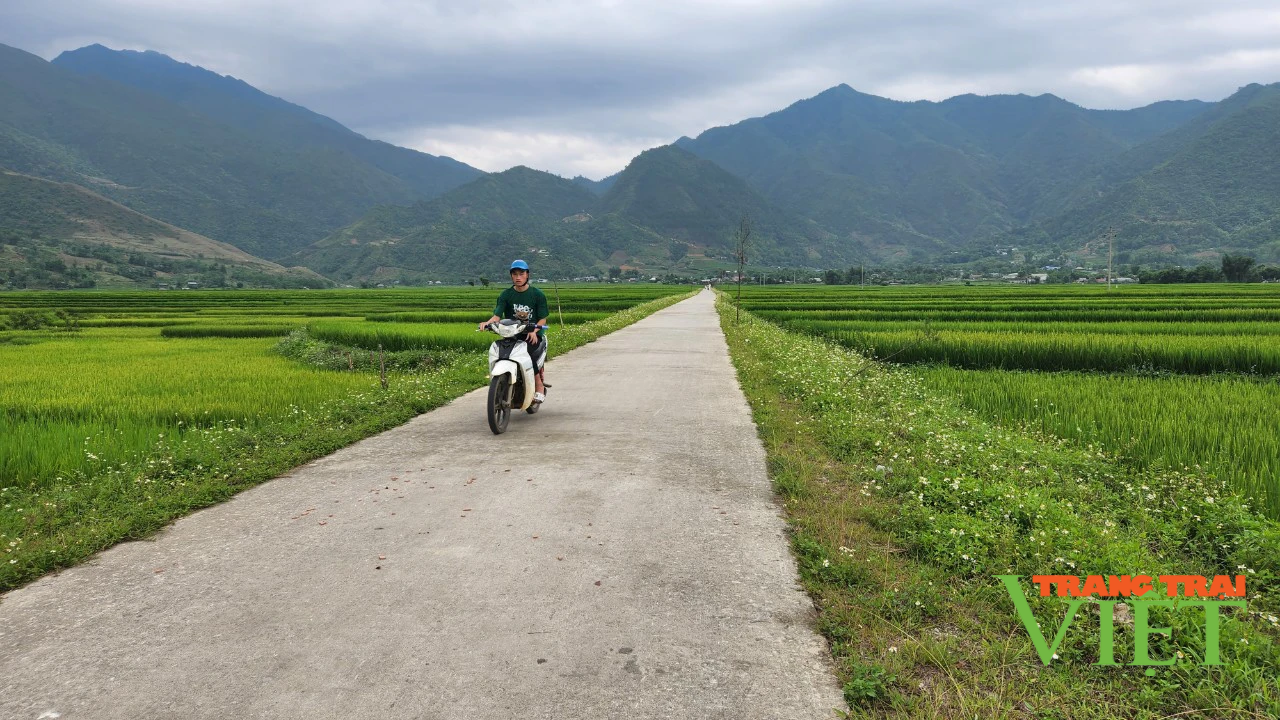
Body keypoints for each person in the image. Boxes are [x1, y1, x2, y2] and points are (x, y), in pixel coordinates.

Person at [479, 260, 549, 403]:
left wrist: (534, 330)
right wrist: (487, 323)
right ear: (511, 276)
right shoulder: (506, 295)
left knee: (529, 354)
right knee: (501, 353)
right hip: (512, 334)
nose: (518, 277)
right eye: (515, 274)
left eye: (521, 274)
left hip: (531, 335)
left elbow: (543, 319)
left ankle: (539, 386)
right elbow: (497, 316)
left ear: (527, 275)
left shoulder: (537, 294)